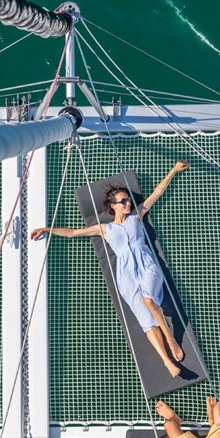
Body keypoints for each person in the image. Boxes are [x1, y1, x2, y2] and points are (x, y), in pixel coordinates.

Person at [30, 160, 190, 377]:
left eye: (128, 200)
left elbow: (156, 193)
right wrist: (47, 229)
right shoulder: (105, 229)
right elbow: (73, 232)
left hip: (146, 265)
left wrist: (173, 170)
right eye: (123, 201)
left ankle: (171, 340)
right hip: (125, 275)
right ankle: (167, 362)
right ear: (113, 206)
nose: (128, 203)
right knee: (146, 320)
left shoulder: (136, 216)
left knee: (148, 301)